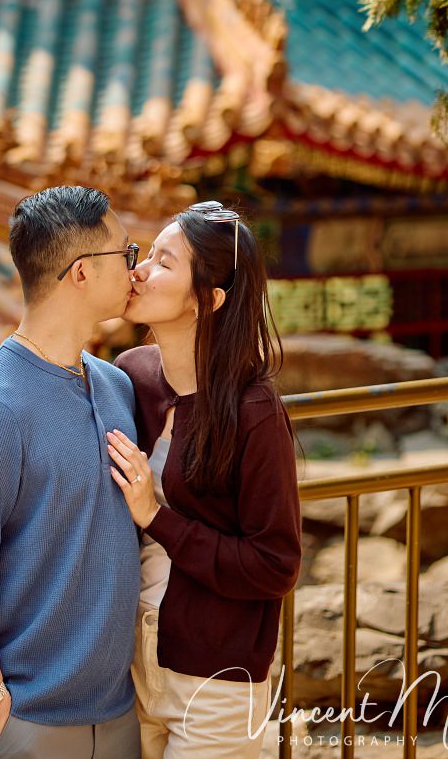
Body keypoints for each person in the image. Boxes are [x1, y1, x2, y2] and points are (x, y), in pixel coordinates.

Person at [0, 185, 144, 759]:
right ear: (82, 273)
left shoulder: (116, 386)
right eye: (126, 253)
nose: (135, 267)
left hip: (117, 713)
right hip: (25, 723)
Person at [108, 200, 302, 759]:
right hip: (129, 662)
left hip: (216, 681)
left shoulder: (253, 409)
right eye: (146, 254)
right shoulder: (131, 374)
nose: (138, 270)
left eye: (164, 262)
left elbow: (275, 564)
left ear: (208, 300)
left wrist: (157, 517)